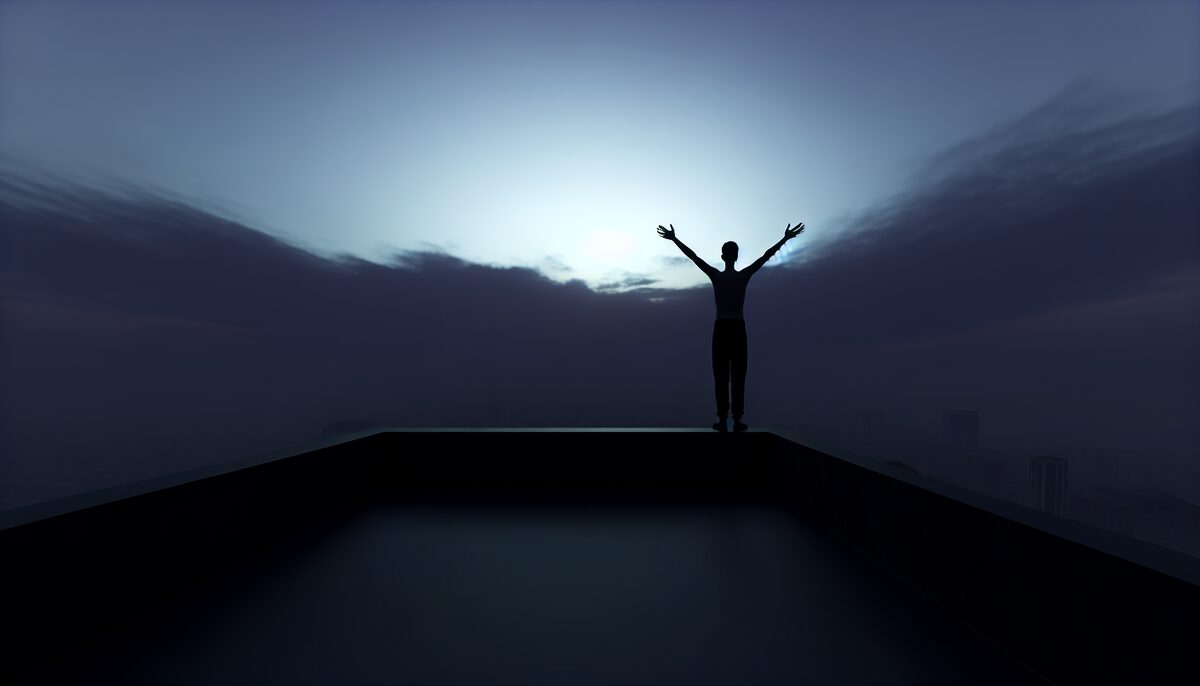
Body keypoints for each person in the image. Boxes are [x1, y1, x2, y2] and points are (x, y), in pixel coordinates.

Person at [657, 221, 805, 432]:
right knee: (737, 376)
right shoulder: (742, 276)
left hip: (722, 329)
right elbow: (766, 256)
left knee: (721, 375)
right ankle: (735, 419)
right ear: (735, 256)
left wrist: (674, 239)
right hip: (737, 329)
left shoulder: (717, 276)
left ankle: (724, 419)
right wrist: (785, 239)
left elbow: (694, 257)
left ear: (723, 256)